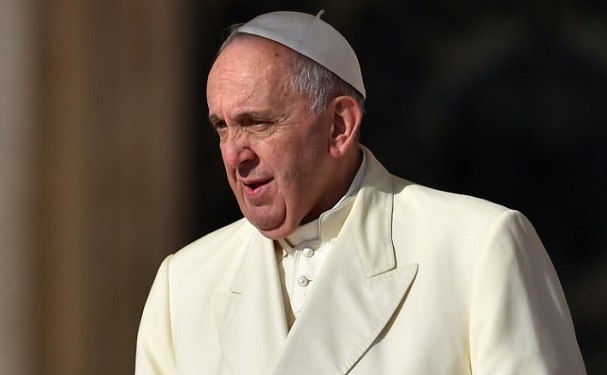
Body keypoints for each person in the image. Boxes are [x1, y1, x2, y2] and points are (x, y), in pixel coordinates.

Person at [135, 10, 586, 374]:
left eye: (258, 123)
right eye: (221, 127)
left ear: (339, 126)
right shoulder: (184, 284)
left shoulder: (478, 248)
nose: (235, 155)